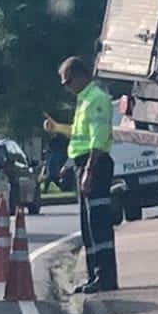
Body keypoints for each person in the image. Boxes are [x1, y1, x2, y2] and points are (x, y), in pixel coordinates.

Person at [42, 57, 118, 294]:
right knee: (88, 226)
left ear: (82, 75)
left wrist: (88, 171)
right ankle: (94, 275)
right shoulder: (83, 100)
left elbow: (97, 137)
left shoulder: (96, 99)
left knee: (99, 225)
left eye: (68, 81)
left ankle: (105, 277)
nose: (66, 87)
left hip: (95, 164)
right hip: (83, 162)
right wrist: (59, 132)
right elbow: (79, 135)